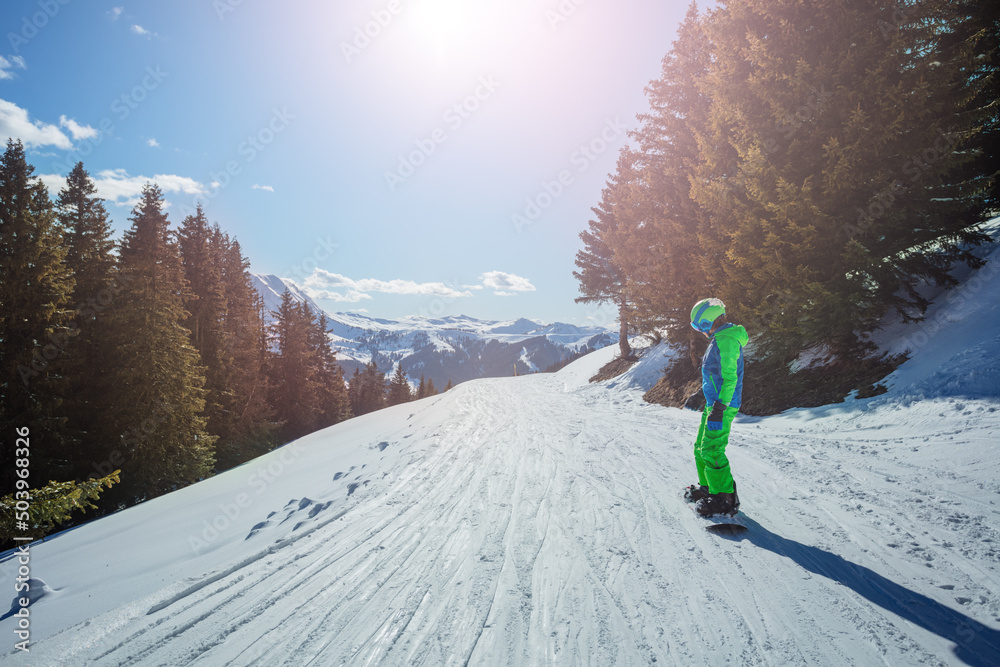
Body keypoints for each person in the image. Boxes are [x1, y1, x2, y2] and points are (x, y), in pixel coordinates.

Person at [683, 298, 749, 517]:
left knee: (713, 449)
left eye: (699, 325)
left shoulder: (727, 341)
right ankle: (708, 488)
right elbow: (716, 376)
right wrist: (701, 394)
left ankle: (725, 498)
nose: (700, 331)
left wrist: (720, 407)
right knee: (700, 447)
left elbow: (729, 379)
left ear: (708, 321)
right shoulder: (719, 339)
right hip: (714, 403)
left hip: (723, 406)